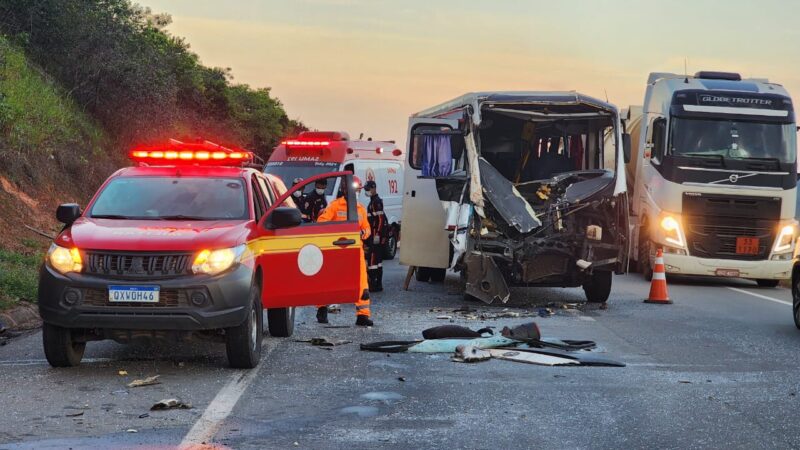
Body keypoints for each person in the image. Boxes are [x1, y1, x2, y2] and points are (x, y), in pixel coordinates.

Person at [315, 176, 373, 327]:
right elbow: (322, 222)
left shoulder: (361, 209)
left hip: (355, 249)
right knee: (327, 280)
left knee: (361, 283)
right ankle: (321, 309)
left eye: (358, 189)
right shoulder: (334, 206)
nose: (356, 192)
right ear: (345, 189)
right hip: (336, 249)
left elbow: (367, 228)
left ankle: (362, 315)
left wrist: (363, 234)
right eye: (354, 189)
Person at [363, 180, 386, 292]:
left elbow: (381, 220)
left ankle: (374, 284)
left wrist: (377, 234)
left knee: (373, 261)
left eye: (368, 189)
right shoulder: (373, 201)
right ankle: (378, 284)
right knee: (377, 261)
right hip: (374, 234)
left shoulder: (376, 202)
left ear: (373, 188)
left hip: (375, 235)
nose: (366, 192)